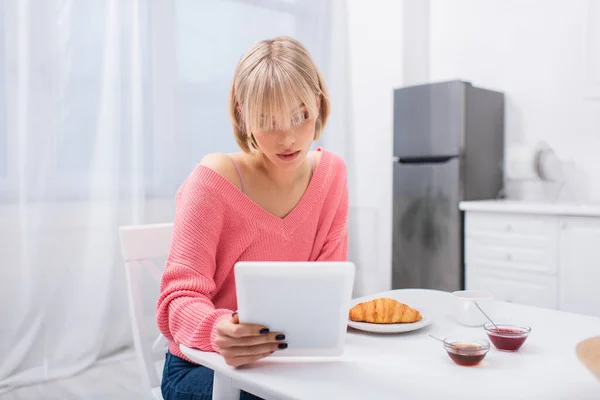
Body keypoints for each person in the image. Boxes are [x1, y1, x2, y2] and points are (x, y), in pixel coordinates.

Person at [157, 36, 349, 400]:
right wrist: (217, 329)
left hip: (289, 364)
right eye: (268, 121)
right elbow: (175, 302)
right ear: (243, 115)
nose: (288, 137)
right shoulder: (213, 180)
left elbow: (328, 290)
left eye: (300, 115)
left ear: (318, 105)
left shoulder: (332, 176)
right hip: (204, 366)